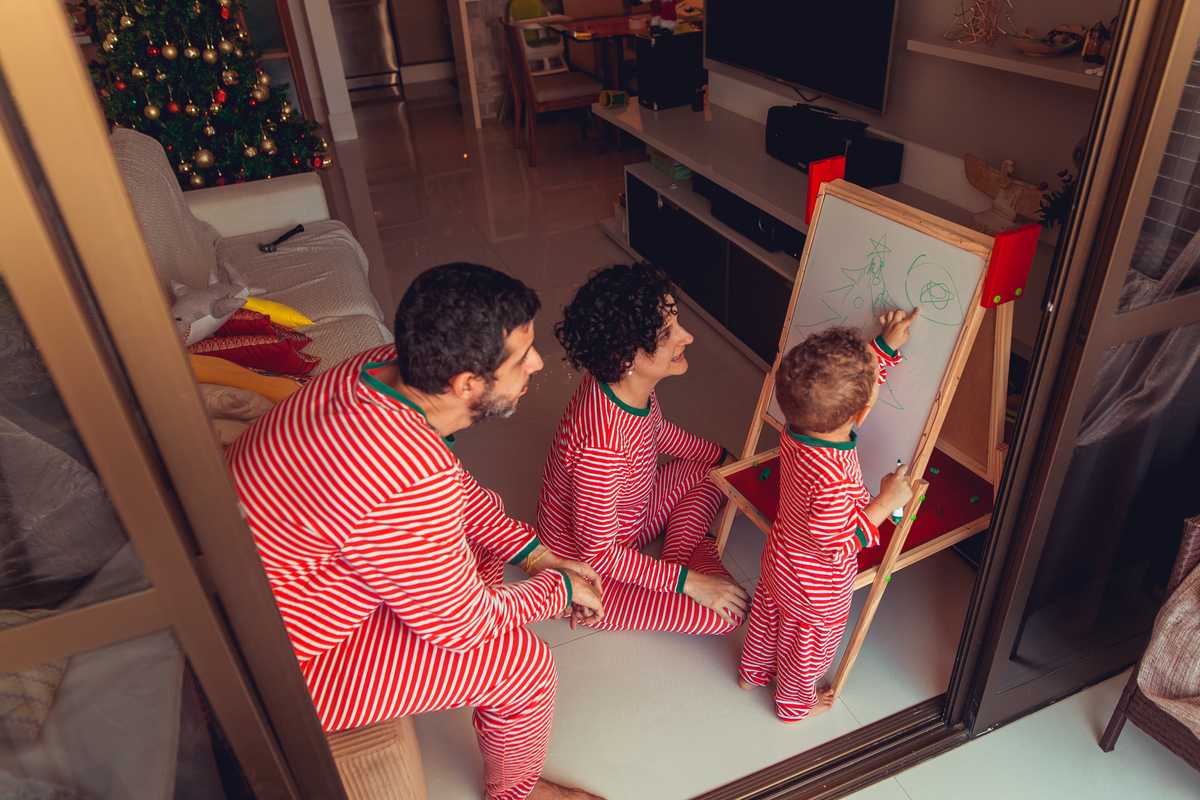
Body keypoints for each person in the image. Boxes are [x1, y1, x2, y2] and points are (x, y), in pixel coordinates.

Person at [227, 263, 606, 800]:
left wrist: (535, 551)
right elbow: (461, 627)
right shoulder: (401, 470)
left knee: (484, 557)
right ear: (466, 384)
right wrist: (560, 588)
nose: (539, 364)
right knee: (527, 668)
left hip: (273, 590)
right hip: (279, 669)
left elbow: (453, 490)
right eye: (522, 358)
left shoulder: (375, 367)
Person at [537, 263, 751, 634]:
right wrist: (693, 584)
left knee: (714, 471)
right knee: (724, 616)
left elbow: (655, 431)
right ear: (624, 356)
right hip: (589, 569)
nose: (687, 337)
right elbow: (598, 554)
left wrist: (723, 459)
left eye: (677, 322)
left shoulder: (619, 379)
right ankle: (688, 565)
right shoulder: (601, 446)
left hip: (629, 517)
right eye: (667, 333)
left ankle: (679, 558)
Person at [737, 310, 919, 722]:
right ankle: (793, 704)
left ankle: (752, 673)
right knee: (806, 647)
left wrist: (884, 348)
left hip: (780, 561)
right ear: (861, 410)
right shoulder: (833, 477)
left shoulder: (798, 423)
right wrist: (885, 502)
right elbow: (835, 542)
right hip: (816, 587)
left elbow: (847, 395)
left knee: (768, 617)